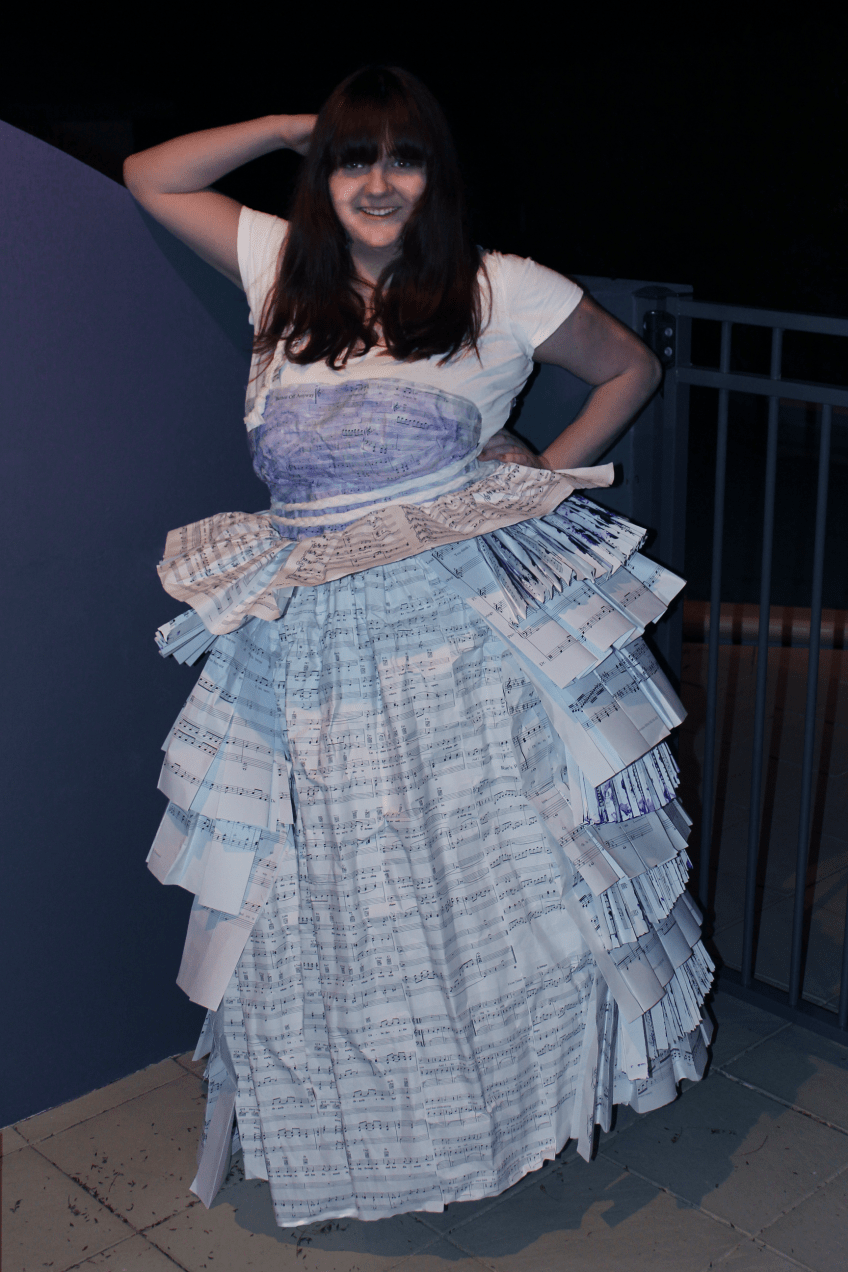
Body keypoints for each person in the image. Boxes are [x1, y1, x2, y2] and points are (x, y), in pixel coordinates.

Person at [124, 65, 713, 1228]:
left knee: (494, 879)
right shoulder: (279, 269)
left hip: (460, 650)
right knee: (330, 891)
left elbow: (629, 368)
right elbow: (151, 175)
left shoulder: (499, 287)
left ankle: (517, 1106)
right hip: (312, 653)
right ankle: (373, 1131)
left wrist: (538, 475)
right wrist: (292, 125)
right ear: (323, 172)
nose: (378, 183)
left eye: (403, 158)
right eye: (354, 159)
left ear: (437, 176)